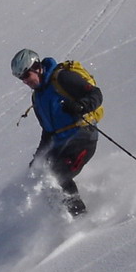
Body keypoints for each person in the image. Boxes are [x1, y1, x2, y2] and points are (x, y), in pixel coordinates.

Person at [11, 47, 102, 216]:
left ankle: (80, 218)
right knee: (43, 179)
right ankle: (62, 219)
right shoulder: (38, 97)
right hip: (62, 144)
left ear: (36, 67)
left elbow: (96, 94)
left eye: (26, 76)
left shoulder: (62, 78)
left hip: (83, 136)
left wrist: (81, 106)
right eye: (21, 79)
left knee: (59, 175)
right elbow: (48, 132)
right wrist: (38, 158)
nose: (25, 81)